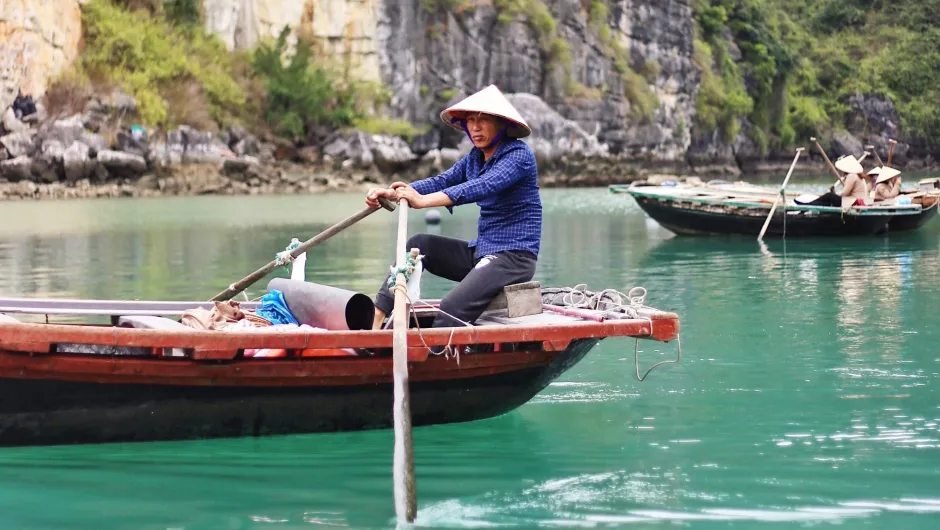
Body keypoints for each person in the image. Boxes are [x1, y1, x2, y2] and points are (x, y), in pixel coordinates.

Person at [365, 85, 542, 331]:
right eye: (471, 120)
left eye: (484, 120)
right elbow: (443, 181)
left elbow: (481, 186)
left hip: (513, 258)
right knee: (419, 244)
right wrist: (395, 193)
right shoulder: (475, 157)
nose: (476, 127)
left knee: (450, 307)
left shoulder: (519, 156)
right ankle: (376, 323)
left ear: (501, 124)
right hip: (482, 252)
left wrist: (423, 202)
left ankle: (435, 357)